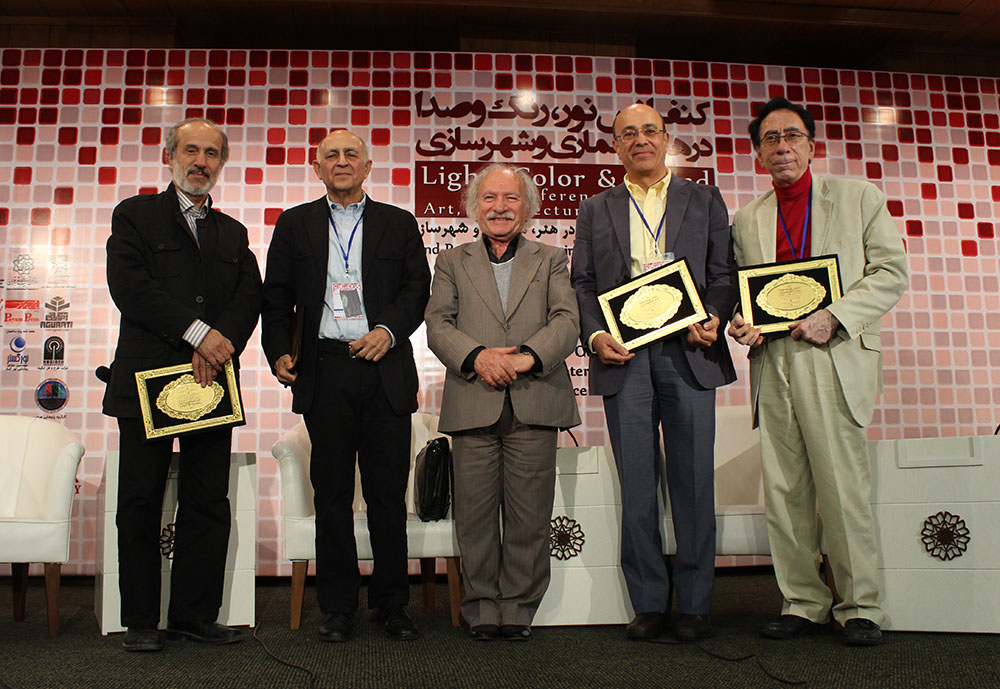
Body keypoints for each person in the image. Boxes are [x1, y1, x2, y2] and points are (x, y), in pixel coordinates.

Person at [727, 97, 908, 646]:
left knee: (842, 487)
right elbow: (742, 291)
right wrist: (742, 322)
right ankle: (803, 603)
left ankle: (860, 607)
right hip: (773, 360)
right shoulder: (748, 218)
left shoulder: (858, 198)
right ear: (758, 155)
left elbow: (890, 272)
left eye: (792, 136)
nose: (782, 146)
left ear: (811, 145)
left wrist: (836, 316)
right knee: (785, 490)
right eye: (770, 139)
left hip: (833, 353)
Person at [571, 103, 737, 641]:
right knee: (638, 485)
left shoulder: (704, 199)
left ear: (666, 139)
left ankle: (694, 605)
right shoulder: (595, 208)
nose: (639, 140)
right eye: (628, 134)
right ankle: (648, 603)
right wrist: (595, 336)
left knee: (694, 483)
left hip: (689, 353)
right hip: (626, 358)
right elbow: (583, 283)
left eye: (649, 131)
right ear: (615, 146)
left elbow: (723, 273)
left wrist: (713, 315)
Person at [261, 129, 430, 642]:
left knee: (387, 493)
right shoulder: (294, 224)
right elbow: (276, 296)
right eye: (330, 155)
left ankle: (392, 603)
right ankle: (337, 607)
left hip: (384, 366)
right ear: (317, 168)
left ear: (368, 166)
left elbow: (416, 288)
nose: (341, 162)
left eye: (351, 154)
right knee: (331, 493)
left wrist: (388, 330)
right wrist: (277, 351)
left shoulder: (398, 223)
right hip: (325, 368)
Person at [103, 118, 262, 651]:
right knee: (140, 501)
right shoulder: (134, 214)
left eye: (211, 153)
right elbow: (130, 287)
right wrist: (199, 335)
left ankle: (195, 615)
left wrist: (220, 344)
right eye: (190, 150)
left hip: (211, 379)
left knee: (207, 501)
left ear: (221, 162)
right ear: (168, 156)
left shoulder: (233, 232)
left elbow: (249, 297)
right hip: (147, 379)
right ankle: (141, 622)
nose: (201, 161)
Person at [425, 164, 580, 641]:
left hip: (535, 399)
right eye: (489, 198)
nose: (500, 207)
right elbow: (438, 325)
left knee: (529, 516)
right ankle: (481, 608)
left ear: (527, 208)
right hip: (474, 398)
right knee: (474, 517)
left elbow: (566, 320)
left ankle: (517, 607)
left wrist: (525, 358)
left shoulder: (551, 258)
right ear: (474, 208)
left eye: (511, 198)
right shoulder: (451, 261)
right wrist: (479, 357)